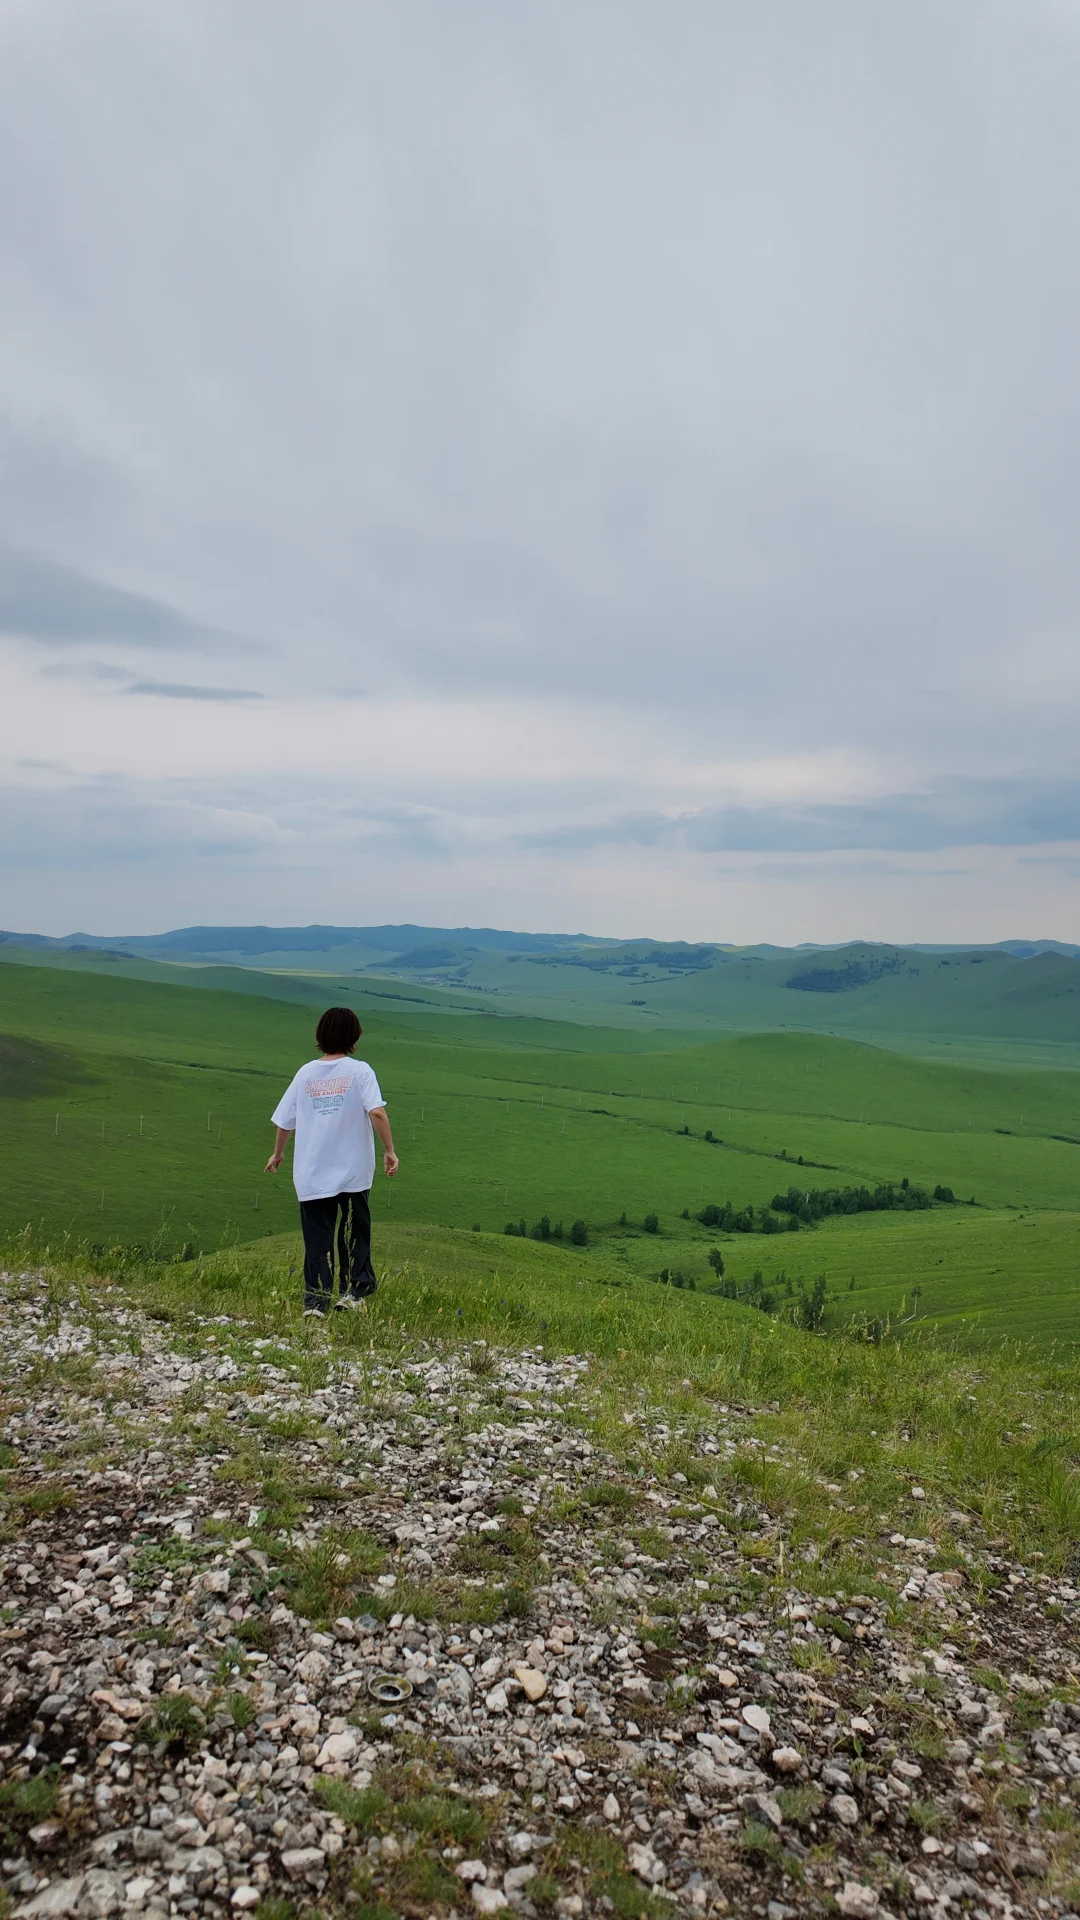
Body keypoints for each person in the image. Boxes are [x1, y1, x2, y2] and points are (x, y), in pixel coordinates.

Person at [265, 1006, 399, 1316]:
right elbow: (377, 1112)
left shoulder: (305, 1073)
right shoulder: (360, 1071)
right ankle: (352, 1296)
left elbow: (285, 1121)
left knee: (317, 1239)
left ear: (320, 1035)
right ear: (354, 1036)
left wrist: (278, 1153)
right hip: (353, 1171)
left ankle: (315, 1303)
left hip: (312, 1171)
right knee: (354, 1232)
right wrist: (389, 1149)